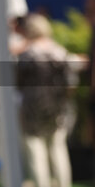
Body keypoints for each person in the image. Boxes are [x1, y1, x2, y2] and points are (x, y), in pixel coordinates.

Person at [17, 13, 77, 187]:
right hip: (59, 107)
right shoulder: (60, 51)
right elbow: (70, 83)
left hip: (32, 108)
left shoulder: (27, 54)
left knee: (36, 150)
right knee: (58, 148)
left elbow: (19, 82)